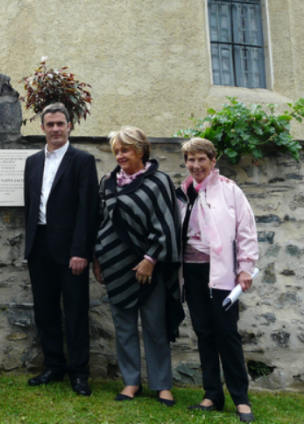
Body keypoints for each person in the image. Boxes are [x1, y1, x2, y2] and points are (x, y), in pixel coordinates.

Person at [92, 127, 184, 404]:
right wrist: (97, 259)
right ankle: (131, 382)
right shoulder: (107, 182)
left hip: (149, 268)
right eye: (116, 151)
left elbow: (168, 223)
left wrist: (150, 259)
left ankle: (161, 384)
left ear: (141, 150)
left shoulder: (159, 182)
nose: (119, 155)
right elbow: (100, 222)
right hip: (115, 266)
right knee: (124, 327)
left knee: (155, 327)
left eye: (125, 150)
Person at [178, 138, 258, 423]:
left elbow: (245, 229)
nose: (196, 165)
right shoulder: (183, 192)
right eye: (191, 159)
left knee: (227, 334)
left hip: (221, 273)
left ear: (213, 161)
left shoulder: (229, 190)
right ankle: (212, 394)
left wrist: (245, 267)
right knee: (204, 333)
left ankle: (241, 399)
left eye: (202, 159)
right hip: (192, 271)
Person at [23, 102, 99, 397]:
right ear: (42, 128)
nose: (55, 129)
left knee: (77, 311)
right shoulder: (31, 162)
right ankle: (53, 365)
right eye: (50, 124)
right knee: (45, 310)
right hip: (39, 246)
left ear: (70, 126)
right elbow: (30, 206)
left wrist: (81, 251)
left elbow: (88, 210)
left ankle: (79, 373)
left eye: (60, 124)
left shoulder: (83, 160)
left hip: (71, 250)